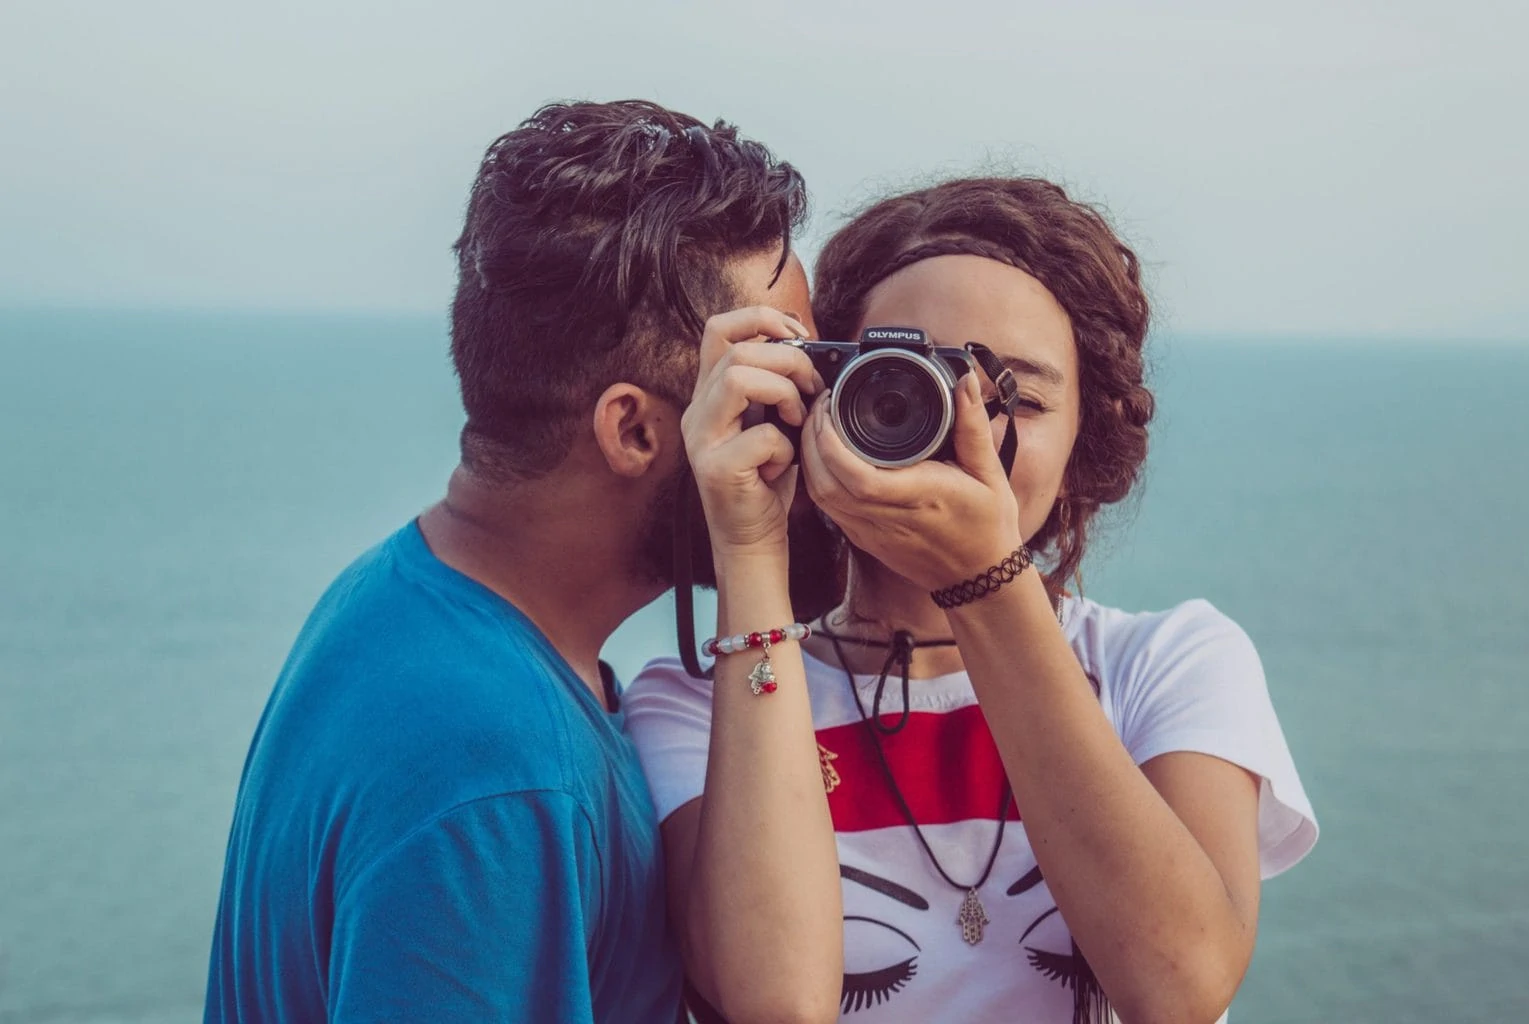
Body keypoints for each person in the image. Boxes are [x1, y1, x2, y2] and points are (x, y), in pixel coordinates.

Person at [623, 177, 1319, 1023]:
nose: (963, 434)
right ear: (813, 394)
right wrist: (748, 548)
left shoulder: (1166, 668)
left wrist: (985, 586)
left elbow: (1179, 987)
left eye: (1014, 396)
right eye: (902, 385)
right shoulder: (699, 704)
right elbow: (772, 1004)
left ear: (1084, 440)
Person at [203, 99, 814, 1023]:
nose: (811, 419)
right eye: (779, 378)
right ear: (636, 429)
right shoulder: (497, 771)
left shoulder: (399, 595)